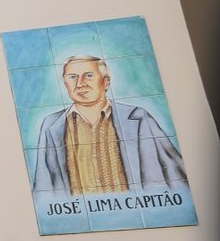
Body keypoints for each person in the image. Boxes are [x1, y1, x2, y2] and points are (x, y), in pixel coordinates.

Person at [32, 55, 188, 196]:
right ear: (65, 84)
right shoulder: (51, 125)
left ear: (106, 82)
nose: (80, 84)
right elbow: (43, 183)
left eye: (89, 75)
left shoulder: (138, 118)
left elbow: (172, 173)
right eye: (73, 77)